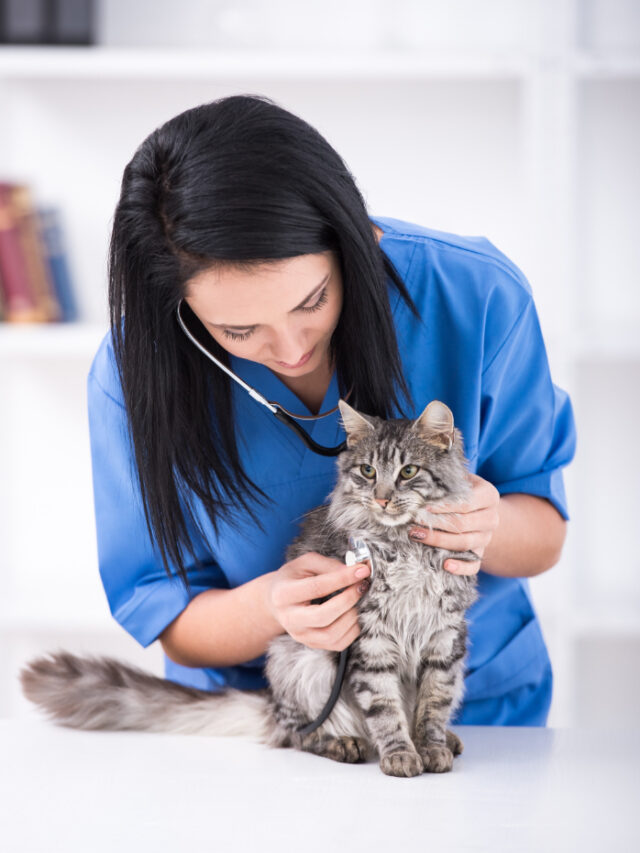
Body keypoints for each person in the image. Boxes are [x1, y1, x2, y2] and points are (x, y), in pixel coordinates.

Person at [87, 93, 576, 727]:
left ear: (352, 238)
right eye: (239, 332)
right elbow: (168, 614)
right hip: (280, 719)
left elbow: (544, 533)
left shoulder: (476, 295)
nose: (290, 350)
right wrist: (274, 607)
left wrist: (484, 525)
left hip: (471, 712)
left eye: (313, 300)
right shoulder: (135, 372)